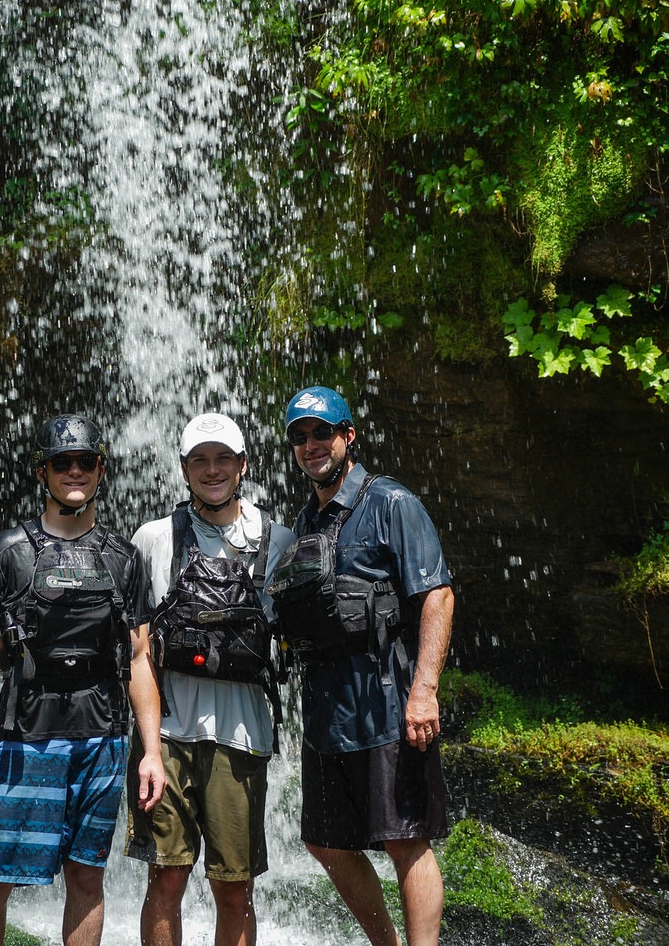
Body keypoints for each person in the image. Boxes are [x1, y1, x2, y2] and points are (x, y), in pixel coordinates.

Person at [0, 413, 166, 946]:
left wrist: (151, 750)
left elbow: (139, 657)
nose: (74, 472)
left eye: (84, 462)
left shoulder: (123, 559)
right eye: (62, 463)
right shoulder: (8, 551)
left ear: (100, 470)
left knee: (87, 875)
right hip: (26, 737)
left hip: (103, 739)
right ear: (41, 472)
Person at [268, 385, 455, 946]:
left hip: (386, 697)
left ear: (349, 436)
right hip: (327, 702)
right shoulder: (305, 520)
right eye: (299, 437)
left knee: (405, 838)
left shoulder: (390, 501)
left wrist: (424, 690)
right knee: (324, 842)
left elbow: (438, 596)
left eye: (321, 432)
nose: (310, 445)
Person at [125, 413, 296, 946]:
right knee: (166, 876)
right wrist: (149, 748)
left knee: (234, 887)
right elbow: (140, 652)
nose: (212, 469)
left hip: (241, 738)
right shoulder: (152, 538)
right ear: (182, 469)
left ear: (244, 466)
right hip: (167, 736)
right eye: (200, 459)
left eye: (223, 458)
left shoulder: (282, 540)